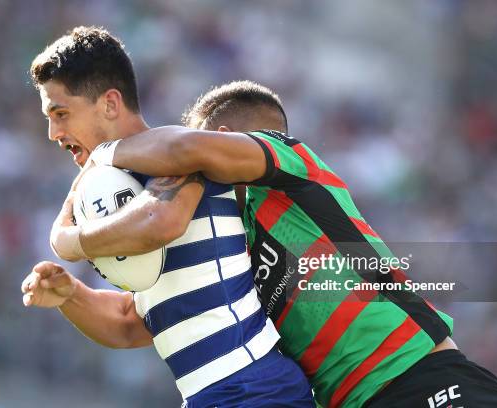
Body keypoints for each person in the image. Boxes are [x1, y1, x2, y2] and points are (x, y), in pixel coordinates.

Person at [56, 79, 497, 407]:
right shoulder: (229, 238)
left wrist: (95, 164)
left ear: (224, 141)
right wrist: (69, 294)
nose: (187, 180)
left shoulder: (292, 162)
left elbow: (183, 151)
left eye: (199, 164)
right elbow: (134, 323)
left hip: (419, 375)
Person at [22, 26, 315, 408]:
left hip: (251, 387)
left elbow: (160, 222)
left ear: (110, 104)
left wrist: (69, 241)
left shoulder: (178, 156)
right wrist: (71, 296)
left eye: (60, 113)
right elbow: (130, 323)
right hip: (218, 395)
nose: (52, 132)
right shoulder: (113, 187)